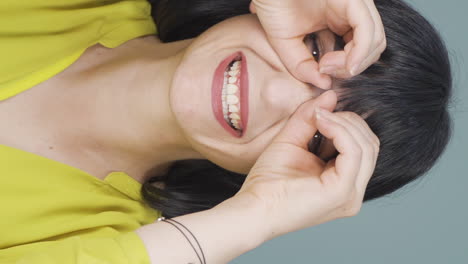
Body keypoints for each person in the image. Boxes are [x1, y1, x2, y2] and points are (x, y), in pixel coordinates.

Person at [0, 1, 450, 264]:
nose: (272, 94)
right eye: (315, 48)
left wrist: (258, 215)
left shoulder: (109, 246)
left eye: (317, 136)